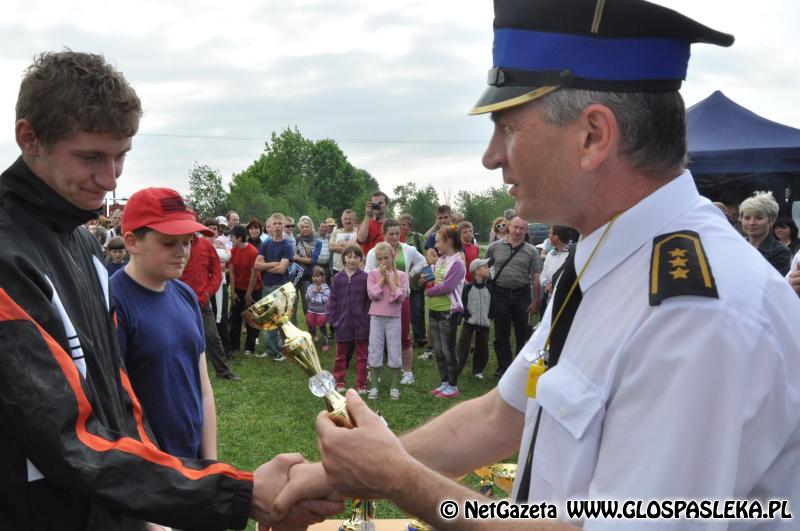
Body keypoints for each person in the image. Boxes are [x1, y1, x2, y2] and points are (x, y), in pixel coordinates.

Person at [301, 2, 800, 530]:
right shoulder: (609, 258)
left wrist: (399, 479)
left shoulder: (699, 317)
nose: (491, 157)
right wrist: (330, 478)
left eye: (509, 128)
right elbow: (501, 416)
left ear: (593, 136)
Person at [0, 49, 340, 530]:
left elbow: (119, 400)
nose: (110, 178)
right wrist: (234, 494)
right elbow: (66, 439)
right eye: (91, 156)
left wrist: (152, 510)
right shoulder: (8, 255)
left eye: (121, 157)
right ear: (28, 138)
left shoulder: (81, 244)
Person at [112, 187, 222, 463]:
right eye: (168, 243)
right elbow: (116, 406)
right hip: (149, 467)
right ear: (132, 242)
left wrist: (209, 463)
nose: (182, 252)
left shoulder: (184, 294)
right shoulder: (113, 303)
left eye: (186, 242)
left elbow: (204, 388)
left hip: (192, 458)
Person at [364, 219, 427, 385]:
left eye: (397, 233)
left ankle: (407, 372)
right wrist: (379, 280)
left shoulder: (408, 249)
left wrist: (411, 273)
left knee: (404, 334)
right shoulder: (374, 252)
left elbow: (423, 261)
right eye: (391, 233)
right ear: (383, 234)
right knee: (377, 337)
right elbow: (367, 273)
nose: (394, 236)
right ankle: (373, 370)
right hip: (379, 299)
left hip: (400, 297)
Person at [180, 211, 240, 381]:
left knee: (213, 336)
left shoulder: (206, 247)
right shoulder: (176, 246)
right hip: (180, 300)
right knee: (182, 338)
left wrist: (207, 292)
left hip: (202, 300)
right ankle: (186, 373)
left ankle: (223, 371)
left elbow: (217, 272)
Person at [485, 216, 542, 377]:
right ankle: (504, 367)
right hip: (500, 294)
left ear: (526, 231)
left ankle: (520, 369)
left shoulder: (531, 251)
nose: (518, 231)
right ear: (509, 227)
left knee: (523, 333)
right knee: (501, 333)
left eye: (521, 228)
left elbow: (537, 277)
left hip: (522, 295)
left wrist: (536, 301)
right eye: (515, 227)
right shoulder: (494, 247)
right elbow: (484, 267)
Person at [425, 225, 465, 399]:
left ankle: (453, 386)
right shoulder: (440, 260)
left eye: (438, 242)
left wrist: (429, 291)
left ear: (448, 241)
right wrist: (424, 279)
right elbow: (432, 277)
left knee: (448, 350)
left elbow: (447, 286)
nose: (436, 246)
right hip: (434, 310)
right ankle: (444, 383)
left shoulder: (458, 263)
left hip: (448, 312)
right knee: (439, 350)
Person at [365, 242, 408, 400]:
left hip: (393, 318)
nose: (383, 261)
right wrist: (382, 278)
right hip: (376, 317)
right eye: (379, 258)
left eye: (386, 257)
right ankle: (374, 386)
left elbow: (400, 297)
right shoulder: (372, 274)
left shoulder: (402, 276)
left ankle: (394, 386)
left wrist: (390, 280)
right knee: (375, 350)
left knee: (395, 350)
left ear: (393, 256)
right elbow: (373, 294)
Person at [327, 244, 371, 394]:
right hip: (342, 323)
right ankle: (338, 382)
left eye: (356, 257)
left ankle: (361, 384)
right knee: (340, 356)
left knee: (362, 356)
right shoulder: (338, 278)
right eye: (349, 256)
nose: (352, 260)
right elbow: (332, 300)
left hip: (361, 324)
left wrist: (367, 319)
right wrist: (334, 321)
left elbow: (369, 301)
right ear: (344, 258)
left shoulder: (365, 278)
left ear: (361, 259)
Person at [252, 213, 293, 361]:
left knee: (281, 321)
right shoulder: (266, 243)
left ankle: (284, 351)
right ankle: (271, 350)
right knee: (268, 319)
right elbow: (256, 264)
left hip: (280, 286)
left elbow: (282, 269)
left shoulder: (287, 246)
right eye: (274, 224)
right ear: (270, 225)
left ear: (283, 225)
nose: (277, 226)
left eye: (280, 224)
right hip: (267, 285)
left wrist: (265, 266)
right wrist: (272, 264)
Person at [456, 257, 493, 380]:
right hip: (469, 323)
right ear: (477, 271)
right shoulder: (468, 288)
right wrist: (466, 315)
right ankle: (457, 368)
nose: (489, 269)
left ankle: (478, 370)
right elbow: (463, 302)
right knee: (463, 346)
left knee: (482, 347)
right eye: (486, 267)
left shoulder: (489, 289)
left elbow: (492, 304)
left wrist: (490, 315)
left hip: (484, 323)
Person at [740, 191, 792, 275]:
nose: (751, 223)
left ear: (771, 220)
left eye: (759, 218)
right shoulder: (737, 246)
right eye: (747, 218)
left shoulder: (781, 252)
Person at [228, 225, 261, 356]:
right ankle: (234, 345)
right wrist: (232, 291)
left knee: (251, 318)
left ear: (239, 238)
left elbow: (254, 274)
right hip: (238, 288)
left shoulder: (253, 252)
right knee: (235, 317)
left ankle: (250, 346)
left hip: (253, 289)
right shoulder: (232, 251)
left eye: (232, 237)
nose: (230, 239)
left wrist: (249, 293)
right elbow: (232, 273)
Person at [398, 213, 428, 347]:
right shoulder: (395, 238)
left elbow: (426, 258)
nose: (401, 227)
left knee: (417, 310)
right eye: (399, 224)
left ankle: (420, 337)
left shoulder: (417, 238)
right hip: (399, 282)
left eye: (404, 225)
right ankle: (401, 336)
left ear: (410, 226)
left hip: (415, 281)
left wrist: (426, 277)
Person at [538, 225, 578, 314]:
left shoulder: (574, 254)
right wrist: (546, 283)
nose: (548, 236)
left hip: (568, 303)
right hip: (550, 302)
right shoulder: (550, 255)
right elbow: (543, 275)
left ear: (556, 237)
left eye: (550, 233)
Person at [305, 265, 330, 352]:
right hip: (311, 311)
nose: (315, 278)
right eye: (314, 276)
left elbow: (325, 300)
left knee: (322, 328)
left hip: (321, 313)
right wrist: (314, 291)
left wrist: (314, 299)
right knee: (310, 325)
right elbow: (307, 298)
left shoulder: (326, 288)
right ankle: (313, 337)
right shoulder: (310, 287)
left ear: (323, 277)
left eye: (318, 276)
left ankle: (325, 343)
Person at [330, 209, 358, 275]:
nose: (347, 221)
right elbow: (331, 247)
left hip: (355, 269)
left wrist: (340, 244)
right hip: (337, 269)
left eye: (350, 219)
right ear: (342, 220)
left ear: (354, 220)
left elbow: (359, 248)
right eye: (345, 219)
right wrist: (351, 247)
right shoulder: (336, 232)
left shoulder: (358, 231)